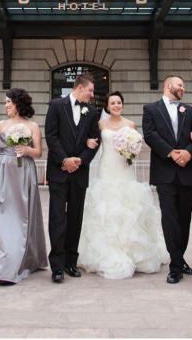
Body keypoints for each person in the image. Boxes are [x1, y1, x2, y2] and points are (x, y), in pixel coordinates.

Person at [77, 91, 168, 279]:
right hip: (106, 167)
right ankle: (105, 252)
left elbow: (137, 147)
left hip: (124, 168)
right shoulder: (100, 124)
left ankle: (134, 252)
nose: (116, 105)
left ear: (122, 105)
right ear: (107, 107)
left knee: (128, 206)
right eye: (113, 103)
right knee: (106, 207)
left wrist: (130, 150)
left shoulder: (131, 125)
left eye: (119, 102)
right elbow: (90, 139)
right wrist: (87, 140)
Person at [0, 87, 48, 284]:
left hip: (24, 171)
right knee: (1, 217)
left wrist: (26, 149)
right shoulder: (1, 124)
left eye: (8, 102)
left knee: (21, 216)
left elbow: (38, 152)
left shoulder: (32, 126)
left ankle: (17, 262)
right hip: (3, 171)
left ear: (17, 103)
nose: (5, 105)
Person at [142, 75, 192, 284]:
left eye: (183, 85)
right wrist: (171, 153)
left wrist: (188, 153)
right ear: (168, 85)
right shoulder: (151, 109)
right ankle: (176, 266)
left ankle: (178, 257)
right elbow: (150, 135)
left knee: (184, 217)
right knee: (169, 216)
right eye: (180, 84)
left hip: (187, 171)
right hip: (165, 172)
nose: (183, 88)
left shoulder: (190, 110)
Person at [44, 73, 101, 283]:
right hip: (59, 171)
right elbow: (51, 135)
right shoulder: (56, 106)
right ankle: (57, 266)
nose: (92, 95)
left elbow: (95, 140)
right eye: (90, 90)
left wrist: (81, 160)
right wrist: (64, 160)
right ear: (79, 88)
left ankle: (71, 262)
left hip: (79, 172)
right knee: (58, 217)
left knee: (75, 217)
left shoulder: (92, 111)